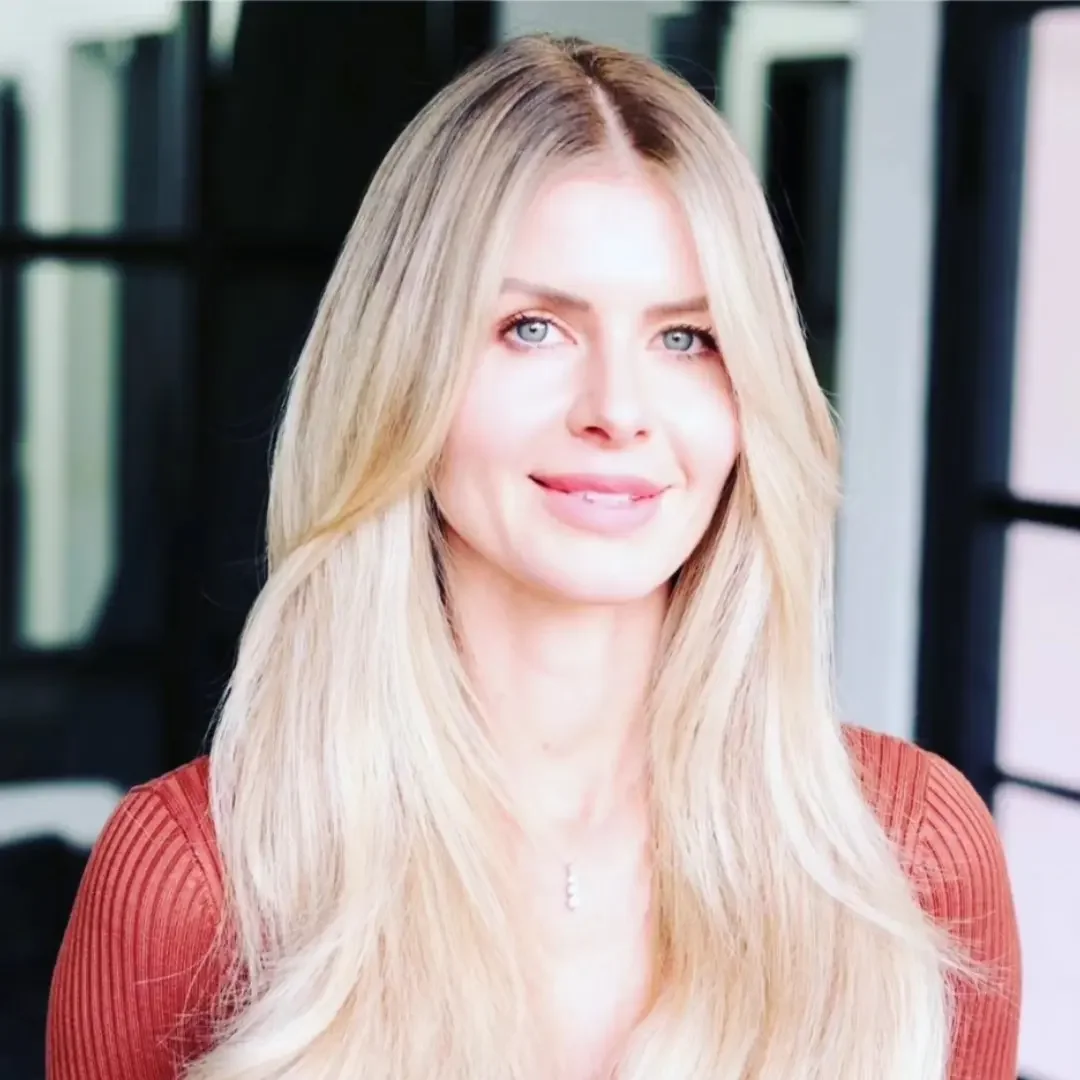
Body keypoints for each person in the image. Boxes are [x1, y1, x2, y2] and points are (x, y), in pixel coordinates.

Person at [46, 33, 1021, 1080]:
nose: (617, 411)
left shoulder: (908, 855)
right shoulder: (195, 886)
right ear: (399, 374)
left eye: (685, 338)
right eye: (532, 328)